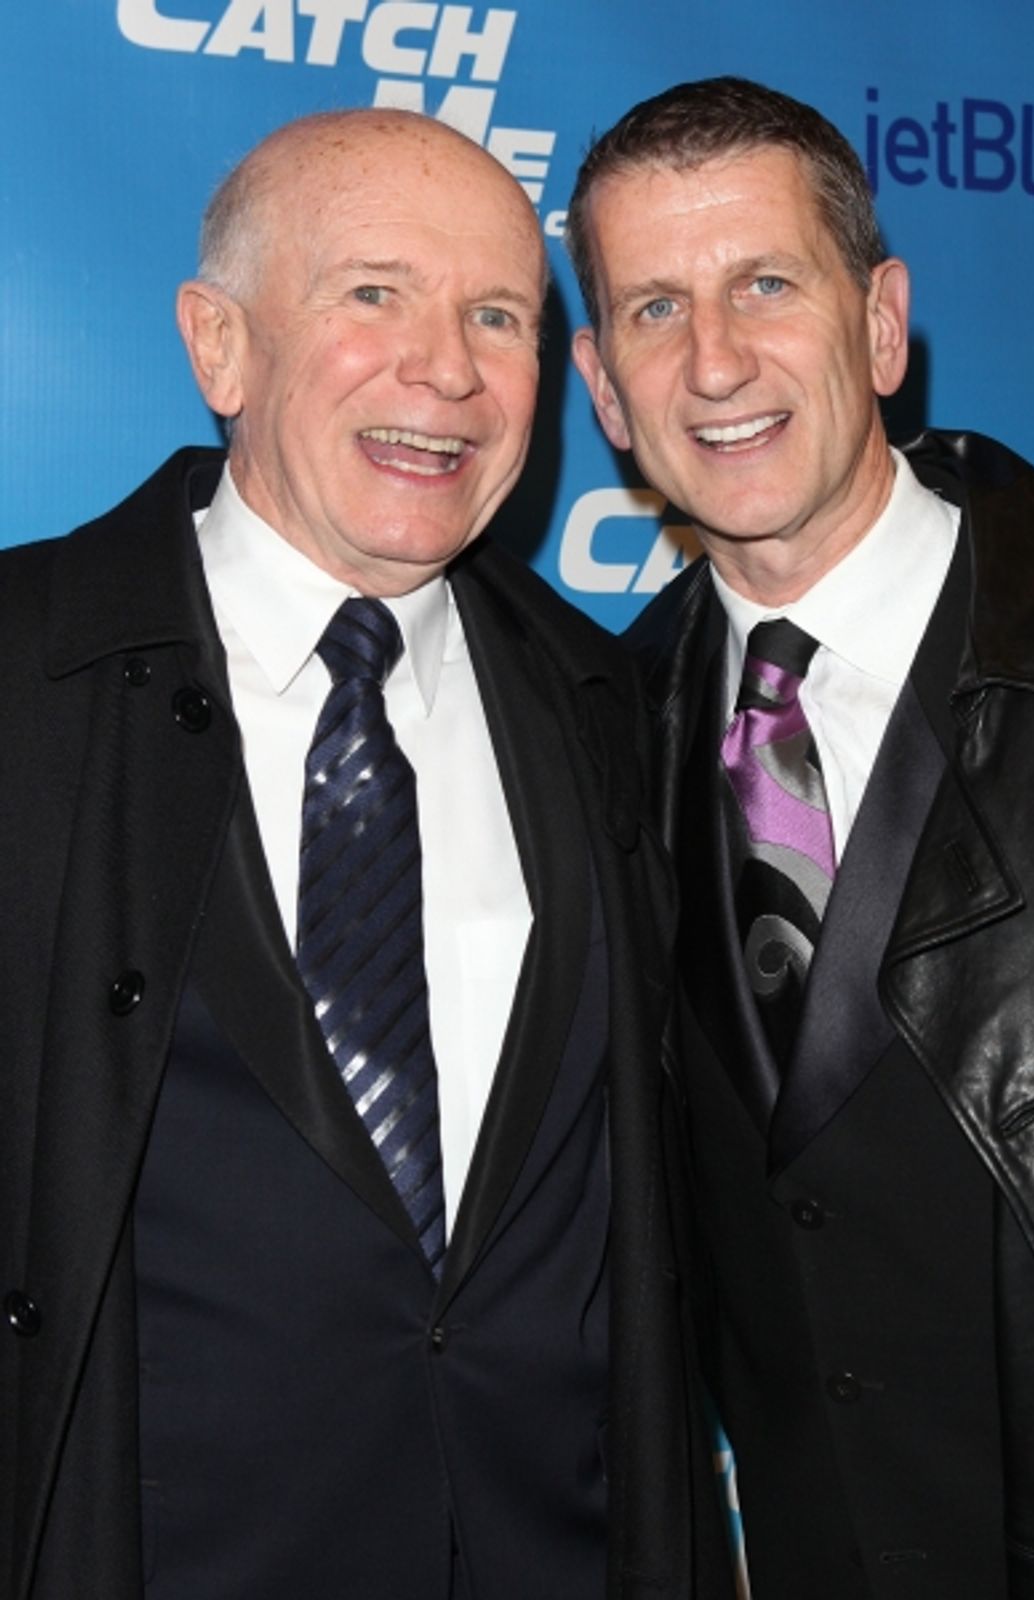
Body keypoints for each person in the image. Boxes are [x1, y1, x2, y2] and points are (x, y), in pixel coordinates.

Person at [0, 108, 732, 1600]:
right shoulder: (23, 682)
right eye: (374, 294)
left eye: (497, 316)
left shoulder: (613, 708)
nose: (447, 370)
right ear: (222, 348)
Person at [566, 75, 1034, 1600]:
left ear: (880, 321)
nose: (715, 359)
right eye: (655, 310)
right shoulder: (591, 741)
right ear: (600, 387)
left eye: (766, 284)